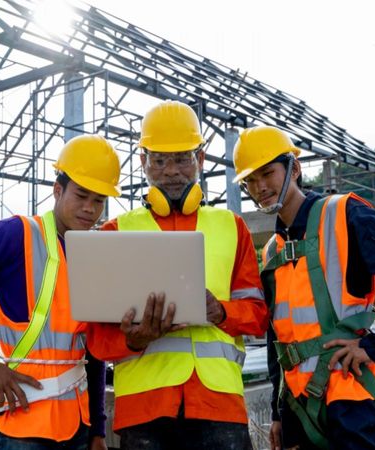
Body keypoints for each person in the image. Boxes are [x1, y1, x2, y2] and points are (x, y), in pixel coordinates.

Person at [232, 125, 375, 450]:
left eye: (267, 173)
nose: (259, 187)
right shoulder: (273, 249)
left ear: (294, 169)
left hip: (348, 396)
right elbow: (276, 334)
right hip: (296, 404)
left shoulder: (343, 215)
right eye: (250, 181)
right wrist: (277, 413)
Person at [87, 100, 269, 450]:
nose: (171, 171)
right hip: (146, 411)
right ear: (143, 164)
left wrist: (220, 311)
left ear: (200, 160)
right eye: (159, 160)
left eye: (183, 158)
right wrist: (135, 339)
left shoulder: (233, 229)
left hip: (219, 405)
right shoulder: (115, 232)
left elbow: (259, 316)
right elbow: (96, 339)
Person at [0, 134, 122, 450]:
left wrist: (98, 429)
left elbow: (92, 350)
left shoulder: (90, 253)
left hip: (78, 427)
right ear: (58, 190)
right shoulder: (17, 234)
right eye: (81, 195)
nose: (89, 209)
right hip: (24, 426)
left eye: (98, 201)